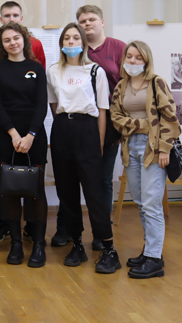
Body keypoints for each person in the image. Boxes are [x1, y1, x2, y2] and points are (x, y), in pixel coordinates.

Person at [46, 23, 120, 273]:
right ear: (61, 43)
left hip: (87, 130)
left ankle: (108, 248)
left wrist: (98, 144)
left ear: (83, 42)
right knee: (66, 191)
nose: (71, 42)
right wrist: (63, 126)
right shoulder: (53, 71)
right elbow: (54, 105)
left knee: (94, 192)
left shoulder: (95, 71)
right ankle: (76, 243)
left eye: (75, 37)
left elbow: (102, 111)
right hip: (62, 129)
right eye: (66, 38)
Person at [110, 41, 181, 279]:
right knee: (141, 202)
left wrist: (164, 149)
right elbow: (116, 117)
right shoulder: (121, 85)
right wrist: (143, 124)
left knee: (152, 204)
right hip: (130, 148)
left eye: (138, 57)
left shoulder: (156, 82)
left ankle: (154, 259)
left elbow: (169, 117)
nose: (132, 61)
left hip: (154, 148)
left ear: (146, 60)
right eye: (129, 56)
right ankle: (150, 250)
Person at [59, 4, 125, 250]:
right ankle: (67, 230)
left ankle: (101, 232)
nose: (87, 24)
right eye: (82, 21)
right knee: (69, 180)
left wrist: (120, 126)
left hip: (108, 122)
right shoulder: (75, 51)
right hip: (78, 125)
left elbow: (127, 85)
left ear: (102, 21)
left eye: (91, 20)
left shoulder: (118, 48)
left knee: (101, 179)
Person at [0, 1, 46, 244]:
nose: (12, 43)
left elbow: (41, 105)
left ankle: (38, 243)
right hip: (7, 136)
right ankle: (16, 244)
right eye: (7, 40)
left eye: (16, 38)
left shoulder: (36, 68)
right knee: (8, 190)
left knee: (36, 190)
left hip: (34, 136)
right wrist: (13, 135)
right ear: (1, 44)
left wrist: (30, 135)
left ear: (24, 40)